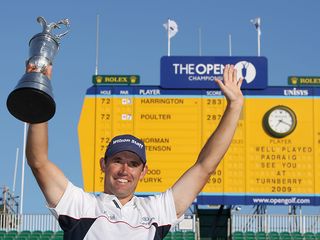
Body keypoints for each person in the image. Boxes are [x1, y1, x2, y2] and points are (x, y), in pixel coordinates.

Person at [26, 64, 243, 239]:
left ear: (144, 171)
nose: (124, 170)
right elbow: (38, 162)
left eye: (133, 164)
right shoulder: (81, 206)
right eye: (118, 160)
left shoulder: (155, 211)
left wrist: (234, 106)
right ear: (103, 164)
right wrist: (39, 90)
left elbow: (205, 167)